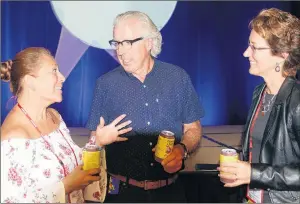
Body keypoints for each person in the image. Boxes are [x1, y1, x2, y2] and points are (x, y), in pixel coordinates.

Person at [86, 11, 204, 203]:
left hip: (170, 193)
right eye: (117, 43)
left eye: (127, 43)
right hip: (122, 194)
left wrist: (181, 150)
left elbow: (193, 129)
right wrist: (97, 141)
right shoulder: (105, 84)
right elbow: (92, 143)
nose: (120, 51)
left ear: (149, 43)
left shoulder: (177, 78)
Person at [0, 47, 132, 203]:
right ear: (30, 82)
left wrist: (97, 142)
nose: (62, 77)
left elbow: (70, 164)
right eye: (54, 71)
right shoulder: (13, 139)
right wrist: (65, 187)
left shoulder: (54, 116)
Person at [217, 8, 300, 203]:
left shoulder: (297, 102)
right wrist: (241, 171)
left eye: (255, 47)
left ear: (282, 54)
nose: (246, 53)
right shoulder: (259, 93)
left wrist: (254, 174)